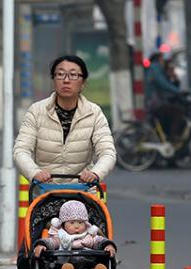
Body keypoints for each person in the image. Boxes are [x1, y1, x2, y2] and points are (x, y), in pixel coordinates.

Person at [13, 55, 115, 185]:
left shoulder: (94, 113)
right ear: (53, 80)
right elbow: (21, 150)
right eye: (60, 74)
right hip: (45, 192)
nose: (66, 80)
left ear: (83, 83)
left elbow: (108, 152)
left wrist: (95, 173)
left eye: (73, 75)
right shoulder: (36, 111)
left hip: (83, 191)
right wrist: (34, 172)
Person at [33, 201, 116, 269]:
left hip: (84, 267)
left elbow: (99, 241)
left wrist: (108, 245)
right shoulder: (60, 235)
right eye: (72, 223)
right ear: (63, 224)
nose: (77, 227)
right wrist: (42, 245)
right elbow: (52, 242)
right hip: (63, 265)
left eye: (80, 223)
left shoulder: (89, 235)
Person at [145, 53, 185, 143]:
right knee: (178, 112)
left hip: (158, 102)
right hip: (155, 103)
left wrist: (174, 79)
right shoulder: (155, 68)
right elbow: (163, 84)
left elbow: (170, 85)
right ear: (159, 59)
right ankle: (173, 137)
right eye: (162, 59)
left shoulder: (160, 70)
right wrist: (178, 92)